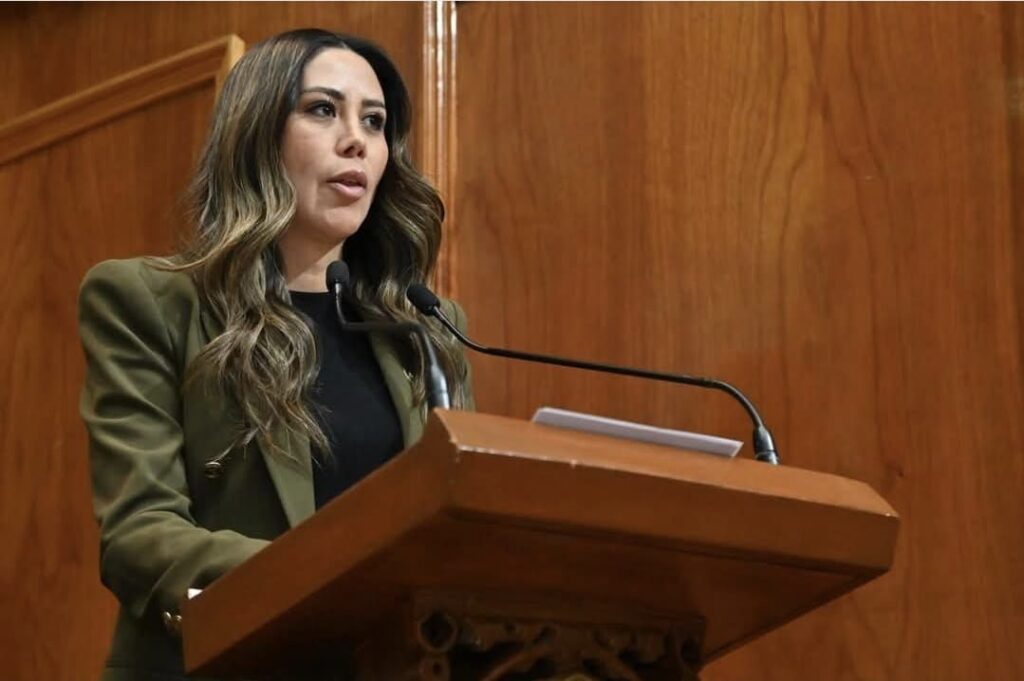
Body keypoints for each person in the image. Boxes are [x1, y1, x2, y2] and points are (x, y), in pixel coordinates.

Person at [77, 28, 473, 681]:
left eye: (374, 122)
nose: (356, 140)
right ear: (257, 135)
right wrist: (329, 577)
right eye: (323, 109)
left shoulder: (426, 328)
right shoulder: (154, 302)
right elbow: (140, 534)